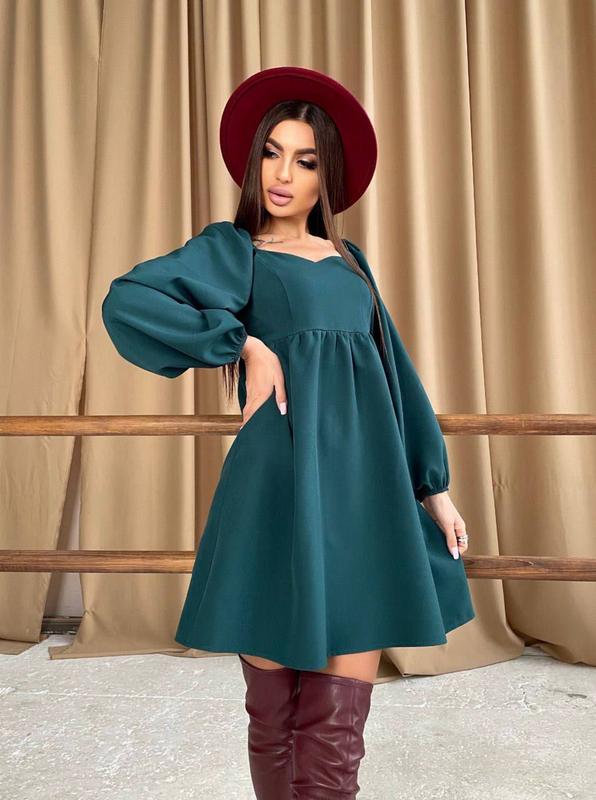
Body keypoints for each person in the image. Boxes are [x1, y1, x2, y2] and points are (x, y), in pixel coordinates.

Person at [101, 66, 475, 800]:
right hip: (274, 492)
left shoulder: (350, 263)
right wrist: (241, 343)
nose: (283, 174)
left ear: (326, 177)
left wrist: (434, 489)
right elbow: (128, 301)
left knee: (337, 734)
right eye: (272, 153)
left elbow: (395, 378)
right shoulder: (233, 250)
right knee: (272, 721)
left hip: (361, 499)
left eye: (305, 161)